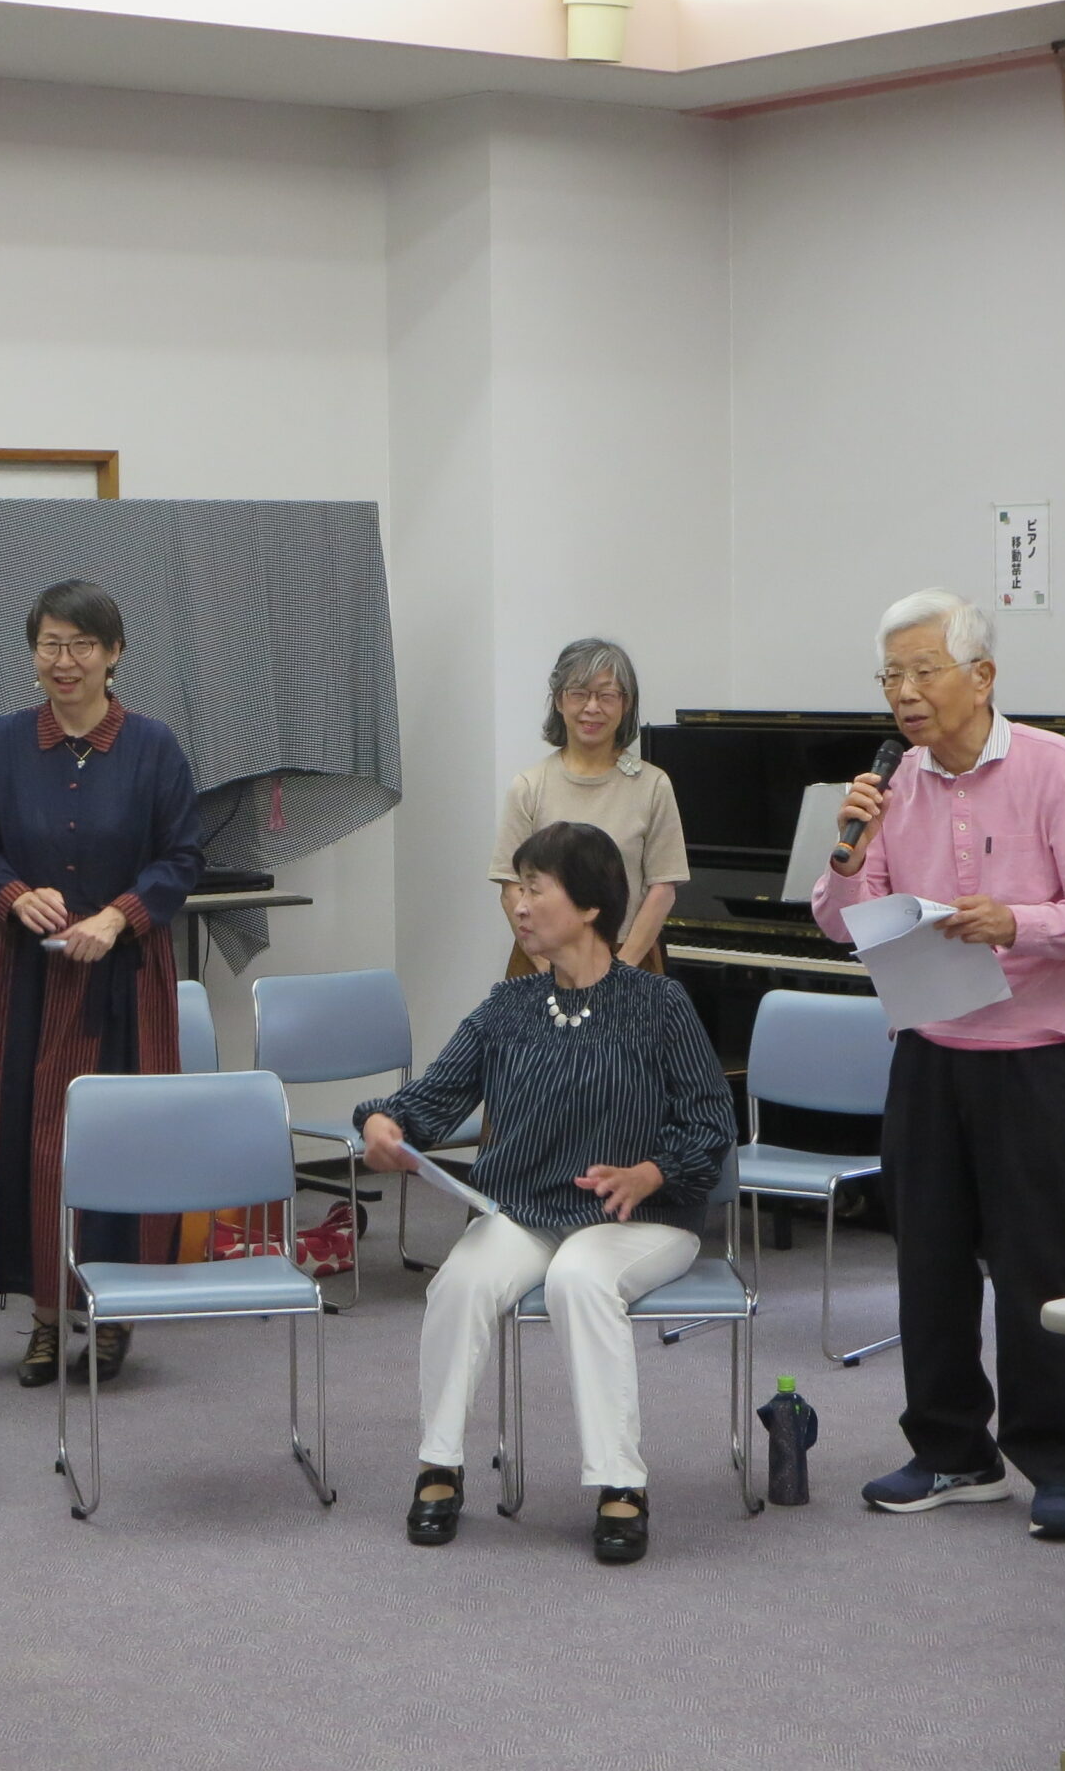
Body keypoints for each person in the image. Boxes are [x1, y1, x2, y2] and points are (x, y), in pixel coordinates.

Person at [812, 588, 1065, 1541]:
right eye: (890, 677)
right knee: (931, 1263)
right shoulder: (889, 787)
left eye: (923, 672)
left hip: (1036, 1057)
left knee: (1042, 1265)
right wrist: (848, 860)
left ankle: (1059, 1462)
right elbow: (842, 926)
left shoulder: (1054, 766)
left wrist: (1016, 922)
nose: (903, 693)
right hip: (928, 1052)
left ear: (982, 677)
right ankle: (953, 1452)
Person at [360, 821, 734, 1566]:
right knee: (461, 1282)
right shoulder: (507, 1007)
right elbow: (429, 1101)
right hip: (526, 1210)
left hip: (641, 1215)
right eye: (517, 890)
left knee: (579, 1278)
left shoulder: (660, 1005)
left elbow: (711, 1122)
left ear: (590, 906)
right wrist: (382, 1122)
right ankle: (439, 1466)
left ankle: (621, 1484)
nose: (520, 905)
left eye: (536, 889)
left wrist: (652, 1171)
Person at [0, 579, 203, 1387]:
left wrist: (119, 917)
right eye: (51, 644)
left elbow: (183, 857)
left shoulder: (154, 746)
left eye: (82, 645)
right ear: (33, 654)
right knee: (29, 1142)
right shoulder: (3, 743)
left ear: (114, 653)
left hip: (125, 976)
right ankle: (48, 1318)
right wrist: (15, 896)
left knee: (121, 1143)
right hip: (26, 978)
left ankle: (117, 1313)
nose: (65, 661)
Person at [490, 638, 689, 975]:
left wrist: (617, 972)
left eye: (606, 695)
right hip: (542, 962)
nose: (592, 707)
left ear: (625, 704)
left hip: (628, 961)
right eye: (579, 694)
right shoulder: (529, 786)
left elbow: (663, 889)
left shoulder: (653, 786)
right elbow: (511, 889)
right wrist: (552, 970)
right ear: (559, 700)